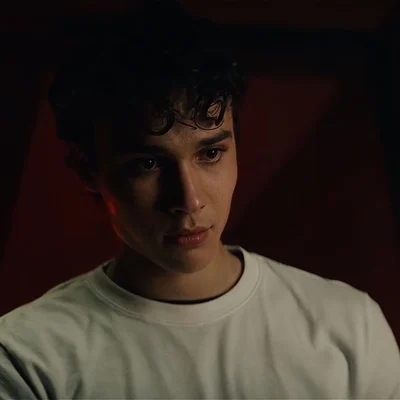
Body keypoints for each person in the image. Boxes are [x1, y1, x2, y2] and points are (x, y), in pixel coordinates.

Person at [1, 1, 399, 399]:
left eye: (210, 153)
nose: (189, 201)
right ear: (88, 169)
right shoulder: (26, 357)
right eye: (148, 163)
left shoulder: (349, 327)